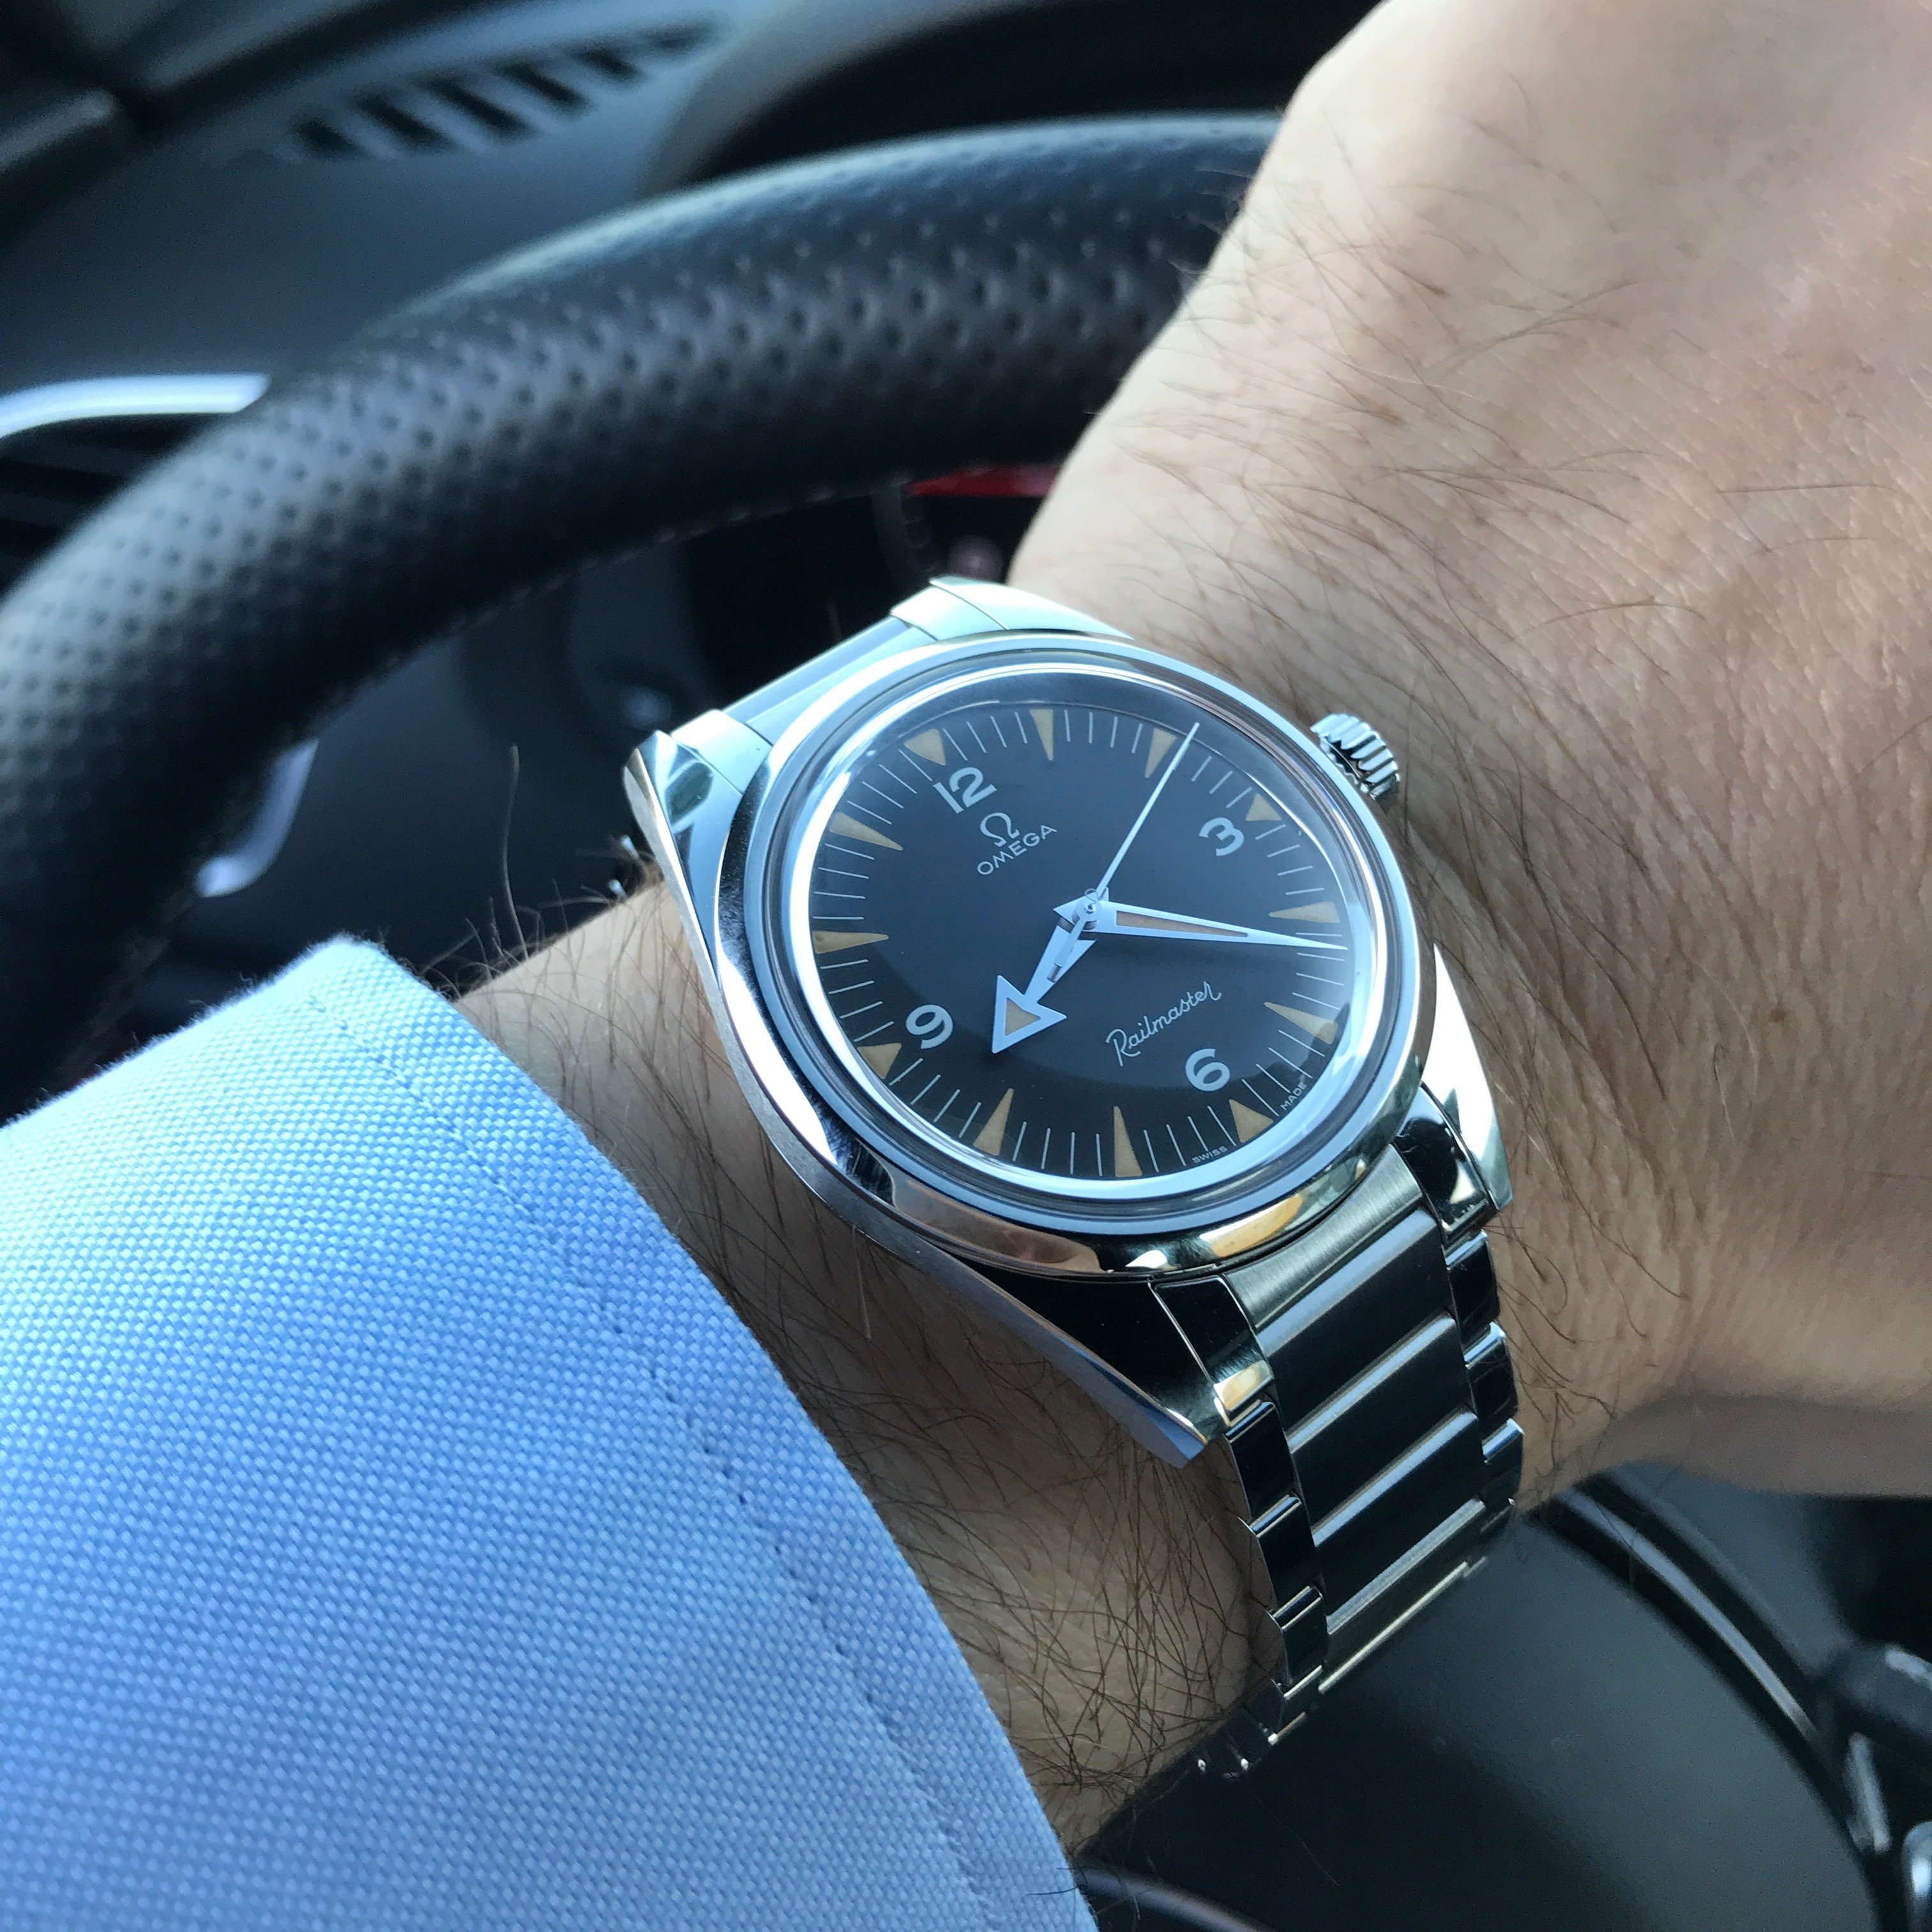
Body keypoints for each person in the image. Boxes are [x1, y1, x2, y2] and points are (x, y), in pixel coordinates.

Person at [4, 0, 1931, 1922]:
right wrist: (1581, 978)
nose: (1083, 922)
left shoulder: (1295, 932)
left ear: (1339, 779)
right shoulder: (825, 871)